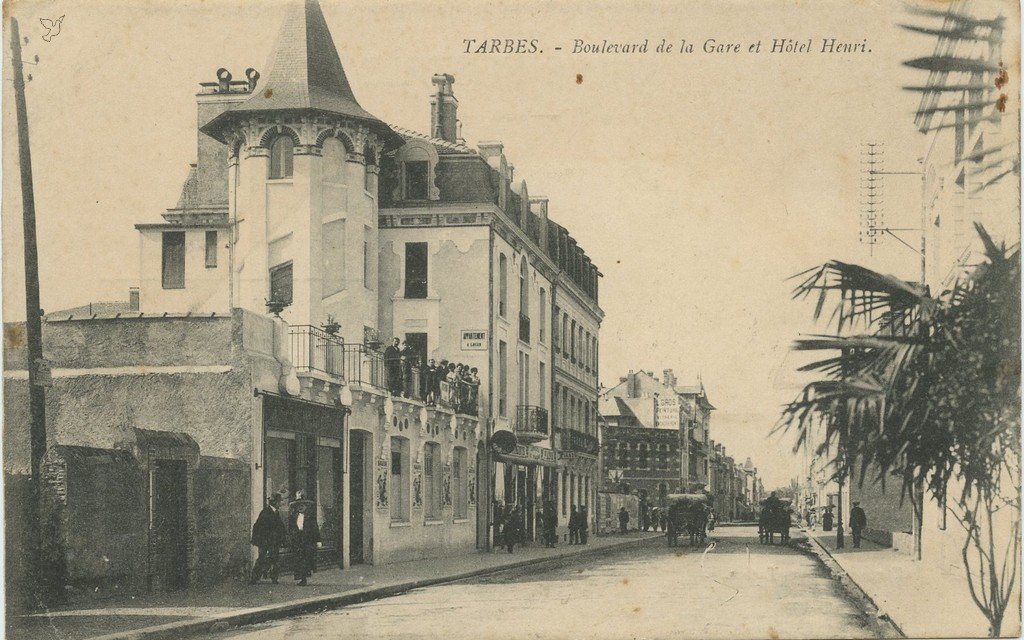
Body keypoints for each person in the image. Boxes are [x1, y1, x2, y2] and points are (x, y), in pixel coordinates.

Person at [250, 494, 286, 584]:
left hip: (273, 541)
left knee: (274, 558)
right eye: (279, 502)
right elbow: (259, 527)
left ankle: (274, 578)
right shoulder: (265, 512)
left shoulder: (276, 512)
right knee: (262, 558)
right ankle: (254, 578)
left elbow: (280, 526)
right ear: (275, 502)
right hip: (265, 541)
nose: (281, 503)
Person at [290, 493, 320, 586]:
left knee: (306, 559)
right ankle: (301, 578)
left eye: (302, 505)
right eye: (299, 505)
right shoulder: (294, 516)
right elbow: (291, 527)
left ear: (306, 506)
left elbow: (315, 528)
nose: (300, 507)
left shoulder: (310, 517)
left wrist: (318, 540)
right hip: (298, 539)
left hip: (307, 539)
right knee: (299, 559)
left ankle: (304, 578)